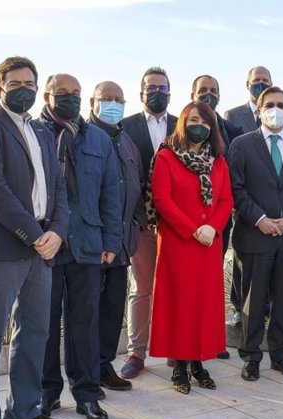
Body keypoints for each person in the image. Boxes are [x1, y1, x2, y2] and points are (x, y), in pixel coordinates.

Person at [0, 56, 70, 419]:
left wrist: (57, 231)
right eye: (16, 82)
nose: (24, 87)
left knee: (35, 333)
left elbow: (59, 189)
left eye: (30, 81)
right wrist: (35, 234)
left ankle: (24, 411)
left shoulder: (42, 130)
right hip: (5, 245)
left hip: (43, 247)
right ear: (0, 88)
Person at [40, 73, 121, 419]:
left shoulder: (98, 139)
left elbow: (110, 193)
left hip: (87, 244)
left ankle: (87, 394)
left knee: (84, 323)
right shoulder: (36, 133)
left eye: (76, 93)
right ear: (47, 96)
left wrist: (111, 243)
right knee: (43, 322)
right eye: (62, 93)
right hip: (45, 244)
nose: (70, 98)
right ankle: (46, 393)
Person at [148, 101, 234, 394]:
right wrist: (192, 229)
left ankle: (198, 361)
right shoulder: (166, 157)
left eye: (207, 122)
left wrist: (212, 227)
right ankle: (180, 366)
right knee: (179, 304)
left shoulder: (218, 160)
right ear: (183, 122)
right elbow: (162, 199)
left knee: (203, 304)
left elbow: (225, 200)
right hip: (179, 242)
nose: (201, 126)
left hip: (209, 243)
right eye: (195, 119)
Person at [229, 86, 283, 382]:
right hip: (254, 236)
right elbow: (236, 188)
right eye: (270, 105)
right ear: (260, 110)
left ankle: (281, 356)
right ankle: (251, 357)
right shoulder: (242, 144)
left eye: (282, 105)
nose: (276, 110)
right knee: (253, 300)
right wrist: (260, 218)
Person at [87, 81, 145, 392]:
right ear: (92, 102)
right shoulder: (84, 137)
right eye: (106, 99)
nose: (113, 104)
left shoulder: (125, 139)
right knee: (88, 310)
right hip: (94, 244)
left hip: (122, 243)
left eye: (118, 99)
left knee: (112, 308)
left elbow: (135, 184)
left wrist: (136, 220)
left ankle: (104, 364)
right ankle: (86, 372)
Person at [224, 66, 283, 327]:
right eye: (257, 81)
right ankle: (248, 347)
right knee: (248, 287)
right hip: (250, 218)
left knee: (280, 297)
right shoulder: (235, 122)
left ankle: (279, 351)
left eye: (265, 81)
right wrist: (258, 216)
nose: (275, 111)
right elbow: (236, 180)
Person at [121, 67, 178, 379]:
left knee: (173, 288)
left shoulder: (183, 124)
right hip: (141, 222)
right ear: (141, 92)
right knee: (142, 289)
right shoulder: (125, 125)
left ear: (170, 92)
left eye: (162, 87)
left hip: (177, 225)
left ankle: (173, 348)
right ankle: (136, 352)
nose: (157, 92)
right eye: (151, 87)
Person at [191, 74, 243, 356]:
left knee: (212, 281)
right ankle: (187, 341)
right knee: (190, 285)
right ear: (192, 93)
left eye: (213, 91)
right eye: (202, 90)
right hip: (186, 226)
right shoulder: (181, 128)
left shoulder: (233, 130)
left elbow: (232, 178)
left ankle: (213, 339)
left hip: (218, 222)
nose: (207, 95)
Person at [224, 65, 283, 137]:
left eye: (265, 80)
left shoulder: (282, 113)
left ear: (271, 85)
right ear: (247, 85)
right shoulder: (233, 115)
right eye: (256, 80)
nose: (261, 83)